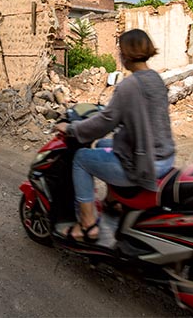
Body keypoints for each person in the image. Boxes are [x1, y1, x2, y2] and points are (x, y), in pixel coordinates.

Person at [54, 29, 176, 242]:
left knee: (81, 159)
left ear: (126, 54)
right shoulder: (155, 79)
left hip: (144, 163)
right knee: (103, 144)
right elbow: (131, 114)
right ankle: (112, 202)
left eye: (121, 51)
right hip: (164, 156)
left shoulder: (129, 85)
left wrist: (72, 129)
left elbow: (105, 121)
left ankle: (87, 224)